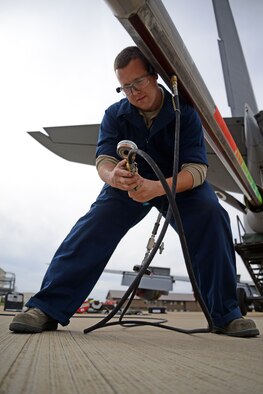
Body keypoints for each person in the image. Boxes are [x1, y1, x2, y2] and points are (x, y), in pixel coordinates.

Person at [10, 46, 259, 337]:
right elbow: (103, 158)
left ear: (154, 77)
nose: (133, 92)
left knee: (211, 215)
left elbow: (198, 169)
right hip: (130, 183)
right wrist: (113, 177)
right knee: (94, 224)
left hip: (179, 184)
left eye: (138, 83)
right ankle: (47, 307)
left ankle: (225, 314)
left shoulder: (186, 112)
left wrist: (160, 187)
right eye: (125, 87)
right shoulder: (114, 114)